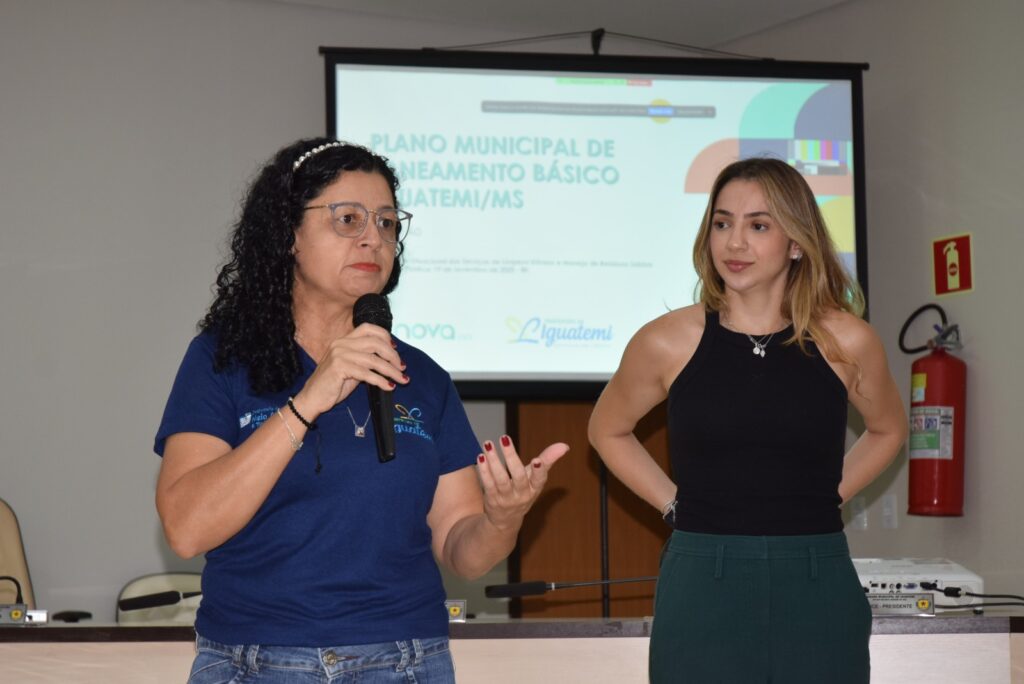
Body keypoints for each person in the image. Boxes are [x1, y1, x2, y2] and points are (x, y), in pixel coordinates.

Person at [154, 138, 568, 683]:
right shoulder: (223, 359)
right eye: (348, 219)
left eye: (388, 222)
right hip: (254, 663)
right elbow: (186, 528)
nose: (374, 237)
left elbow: (461, 551)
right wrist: (309, 400)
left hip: (405, 663)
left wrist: (502, 518)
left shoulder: (423, 378)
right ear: (289, 235)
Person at [588, 157, 907, 683]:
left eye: (758, 225)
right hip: (701, 574)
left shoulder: (846, 341)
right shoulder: (667, 340)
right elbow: (606, 429)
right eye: (722, 222)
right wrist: (674, 504)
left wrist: (827, 494)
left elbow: (889, 429)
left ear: (798, 242)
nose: (735, 243)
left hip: (816, 574)